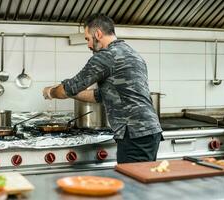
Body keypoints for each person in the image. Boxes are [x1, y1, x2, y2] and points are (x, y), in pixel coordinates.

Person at [42, 13, 162, 164]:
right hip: (147, 131)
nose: (88, 45)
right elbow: (99, 95)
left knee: (133, 184)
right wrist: (72, 93)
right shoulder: (131, 53)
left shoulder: (106, 56)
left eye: (87, 39)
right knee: (142, 180)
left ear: (98, 34)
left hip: (134, 133)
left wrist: (50, 92)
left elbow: (71, 87)